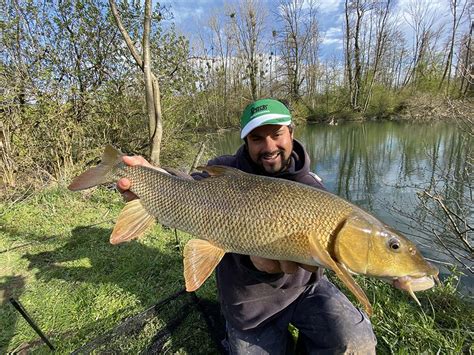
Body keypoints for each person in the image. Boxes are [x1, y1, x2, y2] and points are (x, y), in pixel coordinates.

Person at [118, 98, 377, 354]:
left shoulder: (310, 187)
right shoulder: (226, 170)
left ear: (291, 132)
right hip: (248, 302)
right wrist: (155, 178)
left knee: (356, 343)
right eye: (257, 139)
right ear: (245, 142)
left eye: (276, 134)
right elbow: (190, 186)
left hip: (304, 291)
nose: (269, 146)